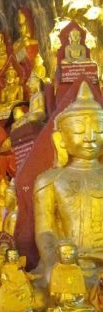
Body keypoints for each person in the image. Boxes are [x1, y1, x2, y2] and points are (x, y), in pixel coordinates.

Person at [34, 81, 103, 282]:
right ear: (61, 139)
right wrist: (51, 261)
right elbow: (45, 230)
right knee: (40, 291)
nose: (90, 138)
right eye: (80, 131)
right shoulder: (49, 180)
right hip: (68, 265)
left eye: (98, 130)